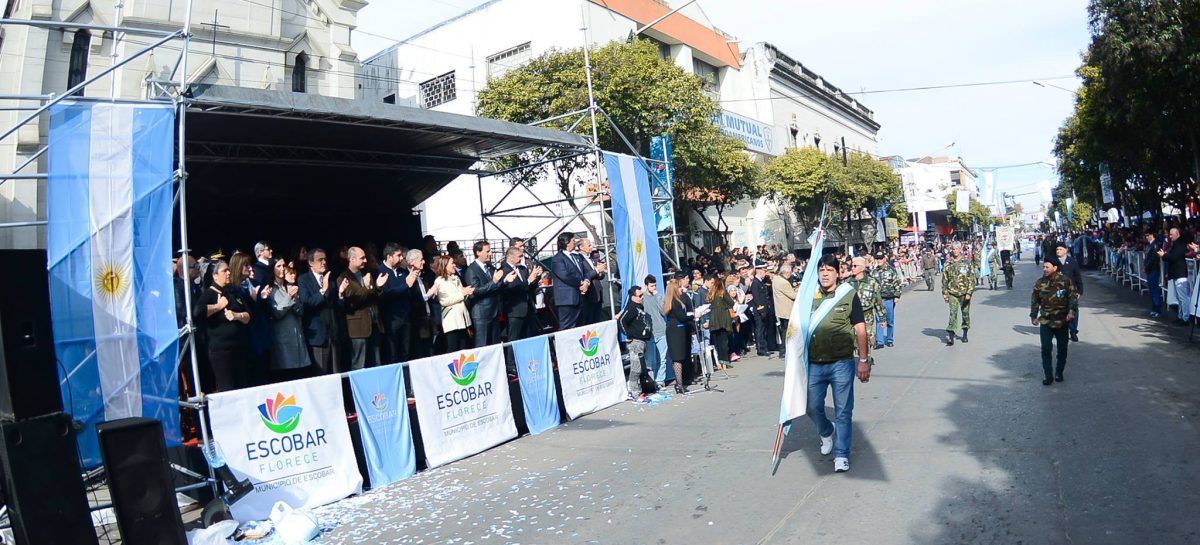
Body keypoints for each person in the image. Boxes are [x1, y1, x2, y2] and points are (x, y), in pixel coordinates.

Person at [805, 254, 871, 473]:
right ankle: (826, 431)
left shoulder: (848, 295)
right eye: (821, 269)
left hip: (841, 362)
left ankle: (841, 454)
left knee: (843, 410)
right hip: (814, 363)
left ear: (837, 273)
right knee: (812, 407)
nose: (824, 273)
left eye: (829, 270)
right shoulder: (808, 296)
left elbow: (860, 329)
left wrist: (863, 360)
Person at [199, 260, 251, 391]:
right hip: (221, 350)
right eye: (224, 271)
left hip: (239, 347)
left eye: (228, 270)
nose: (228, 273)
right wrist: (218, 306)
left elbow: (249, 315)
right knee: (227, 387)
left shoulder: (233, 291)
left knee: (243, 386)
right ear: (215, 275)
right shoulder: (209, 294)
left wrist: (237, 315)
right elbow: (197, 313)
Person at [1030, 256, 1078, 385]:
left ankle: (1059, 372)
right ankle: (1048, 375)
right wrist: (1033, 316)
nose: (1044, 269)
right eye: (1044, 267)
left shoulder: (1065, 281)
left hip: (1062, 321)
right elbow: (1035, 301)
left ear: (1055, 268)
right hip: (1046, 321)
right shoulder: (1040, 283)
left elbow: (1072, 298)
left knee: (1062, 349)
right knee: (1046, 349)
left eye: (1047, 267)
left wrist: (1071, 312)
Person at [338, 246, 387, 370]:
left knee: (376, 363)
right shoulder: (343, 278)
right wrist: (365, 287)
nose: (365, 260)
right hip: (358, 330)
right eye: (362, 258)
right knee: (359, 364)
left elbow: (375, 298)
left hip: (374, 325)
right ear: (352, 259)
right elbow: (351, 304)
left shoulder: (367, 274)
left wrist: (378, 287)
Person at [268, 258, 312, 382]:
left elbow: (300, 311)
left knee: (300, 376)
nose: (282, 269)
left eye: (283, 265)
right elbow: (277, 312)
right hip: (282, 339)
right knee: (287, 377)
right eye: (278, 266)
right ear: (272, 269)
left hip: (297, 336)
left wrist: (295, 300)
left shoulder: (290, 286)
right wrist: (289, 297)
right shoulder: (271, 289)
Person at [298, 248, 339, 375]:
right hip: (318, 337)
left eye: (325, 259)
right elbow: (307, 303)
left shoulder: (330, 280)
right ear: (310, 263)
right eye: (320, 260)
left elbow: (336, 306)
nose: (324, 262)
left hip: (333, 335)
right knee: (321, 375)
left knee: (336, 374)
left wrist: (341, 294)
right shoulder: (303, 279)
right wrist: (323, 290)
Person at [463, 240, 511, 347]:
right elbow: (476, 291)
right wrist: (493, 281)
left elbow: (496, 287)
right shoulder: (471, 270)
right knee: (483, 345)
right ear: (478, 252)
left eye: (490, 251)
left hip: (494, 312)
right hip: (481, 314)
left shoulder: (490, 267)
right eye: (487, 251)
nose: (490, 254)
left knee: (495, 345)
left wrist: (504, 281)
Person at [378, 242, 414, 364]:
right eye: (398, 255)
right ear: (389, 257)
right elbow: (386, 293)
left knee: (406, 353)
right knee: (392, 354)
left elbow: (409, 291)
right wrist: (406, 285)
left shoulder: (403, 271)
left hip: (406, 317)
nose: (402, 258)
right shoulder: (379, 271)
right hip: (391, 319)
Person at [433, 255, 475, 353]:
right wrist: (462, 293)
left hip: (463, 319)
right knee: (453, 347)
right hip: (452, 320)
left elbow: (461, 296)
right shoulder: (439, 281)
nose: (454, 265)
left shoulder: (456, 278)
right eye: (451, 263)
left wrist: (467, 292)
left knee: (464, 347)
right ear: (444, 266)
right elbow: (444, 301)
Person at [501, 245, 543, 341]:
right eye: (519, 256)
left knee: (529, 337)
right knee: (514, 339)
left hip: (529, 309)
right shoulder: (504, 270)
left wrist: (536, 277)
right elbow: (513, 288)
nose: (521, 258)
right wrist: (528, 280)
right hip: (515, 311)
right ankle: (512, 356)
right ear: (511, 258)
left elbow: (529, 287)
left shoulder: (523, 269)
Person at [619, 285, 652, 399]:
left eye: (642, 295)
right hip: (635, 341)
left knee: (641, 367)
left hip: (642, 341)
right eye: (640, 295)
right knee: (636, 367)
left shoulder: (639, 306)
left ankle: (638, 389)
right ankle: (634, 391)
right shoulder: (631, 307)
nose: (642, 297)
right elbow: (622, 321)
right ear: (633, 297)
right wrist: (628, 335)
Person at [405, 249, 439, 357]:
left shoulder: (422, 276)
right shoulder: (407, 277)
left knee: (430, 351)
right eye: (421, 260)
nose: (423, 262)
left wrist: (433, 294)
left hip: (428, 319)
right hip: (417, 323)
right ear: (412, 262)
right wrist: (427, 295)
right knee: (420, 352)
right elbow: (412, 299)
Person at [662, 280, 693, 394]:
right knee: (677, 358)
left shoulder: (675, 301)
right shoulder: (674, 302)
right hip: (675, 331)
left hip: (678, 330)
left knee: (680, 357)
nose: (682, 290)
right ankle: (679, 384)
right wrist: (693, 316)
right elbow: (682, 317)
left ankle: (679, 383)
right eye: (679, 288)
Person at [942, 243, 975, 346]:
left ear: (960, 249)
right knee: (953, 314)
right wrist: (945, 294)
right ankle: (951, 336)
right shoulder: (948, 263)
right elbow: (944, 280)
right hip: (952, 293)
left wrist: (969, 292)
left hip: (964, 293)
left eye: (957, 249)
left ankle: (965, 333)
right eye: (953, 249)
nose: (955, 251)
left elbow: (971, 278)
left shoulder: (966, 262)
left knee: (965, 313)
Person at [1157, 227, 1191, 326]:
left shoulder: (1180, 244)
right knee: (1180, 298)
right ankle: (1181, 316)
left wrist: (1164, 255)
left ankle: (1185, 318)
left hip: (1180, 274)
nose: (1170, 236)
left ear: (1177, 234)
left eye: (1172, 235)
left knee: (1183, 298)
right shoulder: (1175, 244)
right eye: (1169, 235)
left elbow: (1173, 257)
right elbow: (1171, 257)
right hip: (1177, 273)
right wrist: (1164, 256)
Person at [643, 275, 672, 388]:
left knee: (662, 359)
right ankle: (652, 381)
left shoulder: (659, 297)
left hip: (661, 331)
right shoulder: (643, 298)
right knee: (651, 360)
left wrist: (657, 298)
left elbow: (663, 311)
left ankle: (660, 381)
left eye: (655, 285)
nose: (654, 288)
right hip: (650, 333)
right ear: (646, 286)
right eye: (651, 286)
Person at [552, 233, 585, 330]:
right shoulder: (557, 258)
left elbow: (583, 272)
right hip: (566, 299)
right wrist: (580, 283)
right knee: (567, 327)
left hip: (579, 297)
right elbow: (565, 276)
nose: (575, 243)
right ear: (567, 243)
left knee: (579, 327)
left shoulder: (577, 257)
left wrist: (586, 282)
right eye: (573, 241)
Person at [850, 257, 883, 350]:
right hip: (851, 318)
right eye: (851, 266)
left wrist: (882, 318)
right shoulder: (848, 283)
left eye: (855, 266)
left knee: (866, 340)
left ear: (862, 268)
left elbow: (878, 300)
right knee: (852, 342)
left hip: (867, 316)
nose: (852, 268)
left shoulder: (871, 282)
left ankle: (866, 359)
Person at [1054, 242, 1084, 342]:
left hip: (1071, 291)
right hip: (1058, 291)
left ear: (1066, 250)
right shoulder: (1053, 262)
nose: (1058, 251)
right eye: (1057, 249)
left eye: (1060, 249)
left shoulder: (1072, 262)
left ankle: (1073, 331)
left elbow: (1078, 277)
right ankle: (1064, 332)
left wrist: (1080, 291)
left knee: (1073, 311)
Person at [705, 273, 735, 370]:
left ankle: (720, 362)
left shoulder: (710, 293)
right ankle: (725, 361)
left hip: (713, 319)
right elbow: (731, 302)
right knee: (723, 341)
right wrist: (726, 306)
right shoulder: (722, 292)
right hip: (723, 319)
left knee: (717, 342)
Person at [876, 254, 902, 348]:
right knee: (879, 319)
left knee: (890, 320)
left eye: (880, 258)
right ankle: (880, 341)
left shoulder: (891, 270)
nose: (878, 260)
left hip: (889, 299)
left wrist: (897, 295)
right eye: (877, 259)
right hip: (878, 299)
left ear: (884, 259)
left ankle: (890, 339)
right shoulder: (874, 271)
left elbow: (897, 283)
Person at [772, 263, 798, 359]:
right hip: (786, 310)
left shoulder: (776, 279)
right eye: (790, 273)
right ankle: (784, 350)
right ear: (787, 273)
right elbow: (793, 295)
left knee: (784, 330)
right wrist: (799, 289)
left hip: (780, 309)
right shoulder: (784, 283)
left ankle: (784, 350)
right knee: (787, 331)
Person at [1144, 232, 1163, 318]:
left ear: (1152, 235)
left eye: (1148, 235)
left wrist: (1146, 266)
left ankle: (1157, 309)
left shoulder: (1155, 245)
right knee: (1152, 290)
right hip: (1150, 269)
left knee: (1154, 290)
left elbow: (1153, 258)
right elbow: (1148, 258)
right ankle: (1154, 308)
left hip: (1153, 269)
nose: (1146, 237)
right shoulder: (1150, 245)